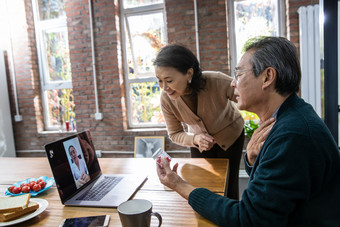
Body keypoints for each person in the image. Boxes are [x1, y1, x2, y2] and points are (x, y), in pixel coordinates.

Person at [156, 37, 340, 226]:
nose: (233, 83)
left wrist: (179, 185)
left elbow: (249, 220)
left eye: (238, 74)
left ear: (267, 77)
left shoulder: (292, 136)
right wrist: (253, 161)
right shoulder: (290, 117)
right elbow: (269, 189)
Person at [153, 44, 245, 199]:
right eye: (160, 81)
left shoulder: (216, 81)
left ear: (189, 73)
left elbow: (247, 96)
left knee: (228, 185)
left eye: (168, 80)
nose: (164, 88)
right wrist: (194, 139)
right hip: (198, 142)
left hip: (231, 137)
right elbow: (175, 133)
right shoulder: (166, 99)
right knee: (201, 184)